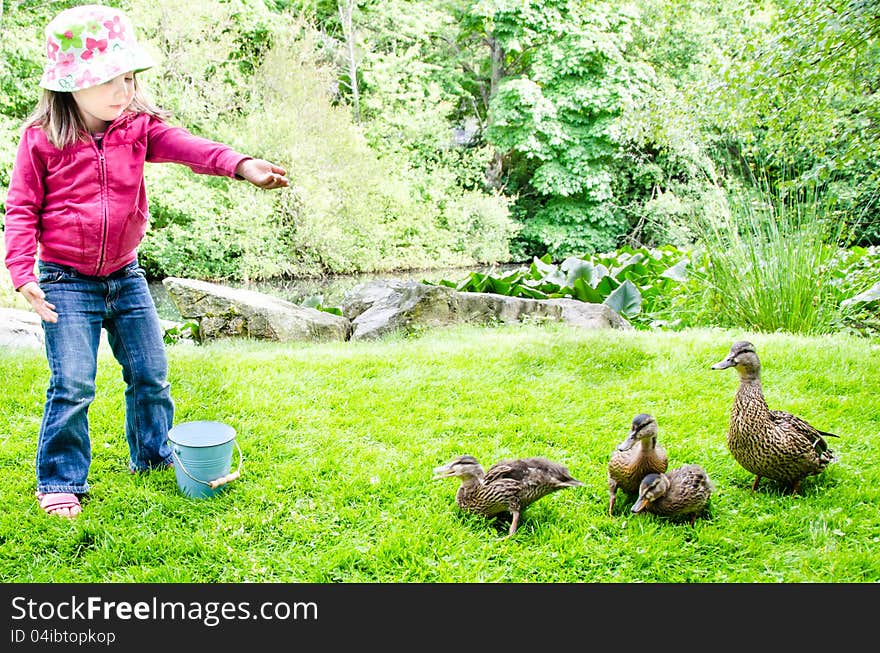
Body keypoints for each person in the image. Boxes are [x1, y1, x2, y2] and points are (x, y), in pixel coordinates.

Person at [3, 4, 289, 518]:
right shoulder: (42, 138)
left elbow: (188, 147)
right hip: (66, 280)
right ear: (71, 84)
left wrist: (242, 165)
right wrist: (23, 273)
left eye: (129, 77)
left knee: (151, 373)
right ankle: (61, 481)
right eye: (110, 79)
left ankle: (154, 459)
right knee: (72, 383)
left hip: (125, 275)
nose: (123, 90)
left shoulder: (137, 127)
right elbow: (22, 208)